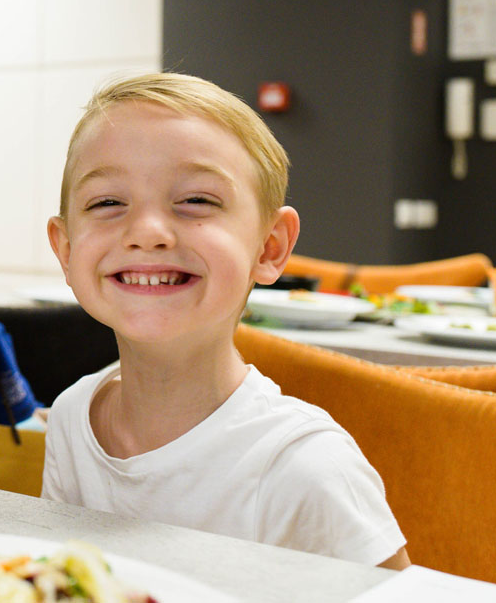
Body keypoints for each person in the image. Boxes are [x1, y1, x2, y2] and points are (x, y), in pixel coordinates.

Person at [41, 72, 409, 569]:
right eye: (107, 202)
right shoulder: (71, 417)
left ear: (269, 247)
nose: (147, 232)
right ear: (65, 250)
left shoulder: (302, 467)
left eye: (196, 200)